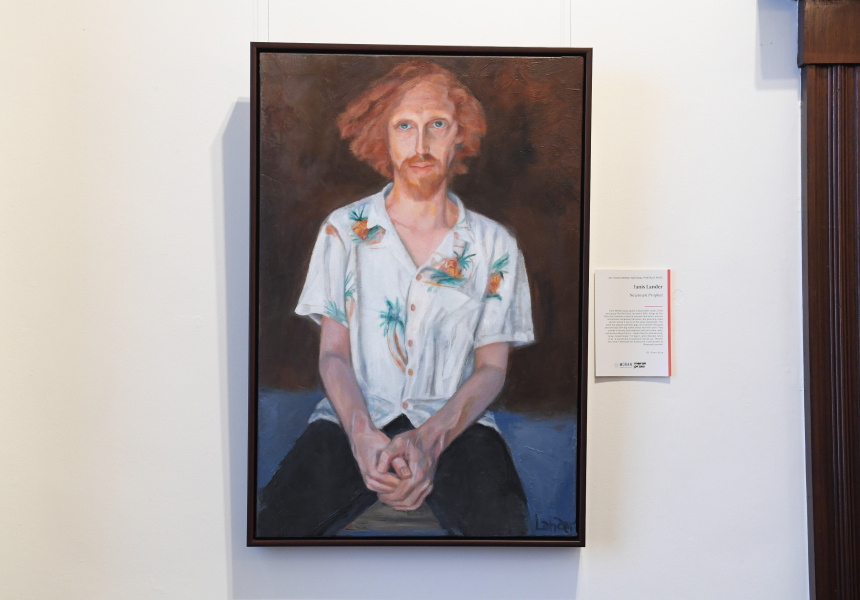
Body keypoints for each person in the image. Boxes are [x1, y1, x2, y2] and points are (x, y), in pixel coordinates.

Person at [258, 61, 535, 537]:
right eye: (404, 126)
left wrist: (431, 438)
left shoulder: (494, 245)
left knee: (509, 533)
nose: (421, 144)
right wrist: (361, 433)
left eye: (437, 125)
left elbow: (492, 367)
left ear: (460, 135)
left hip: (457, 426)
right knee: (274, 524)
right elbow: (333, 354)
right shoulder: (344, 230)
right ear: (381, 136)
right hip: (352, 419)